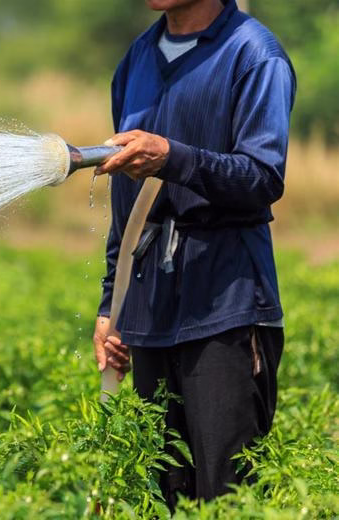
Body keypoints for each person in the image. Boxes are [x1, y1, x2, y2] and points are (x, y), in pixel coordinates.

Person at [91, 0, 295, 508]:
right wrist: (109, 307)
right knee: (159, 495)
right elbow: (127, 203)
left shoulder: (254, 55)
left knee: (225, 496)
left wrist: (173, 157)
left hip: (224, 311)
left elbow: (262, 178)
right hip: (148, 310)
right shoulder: (137, 58)